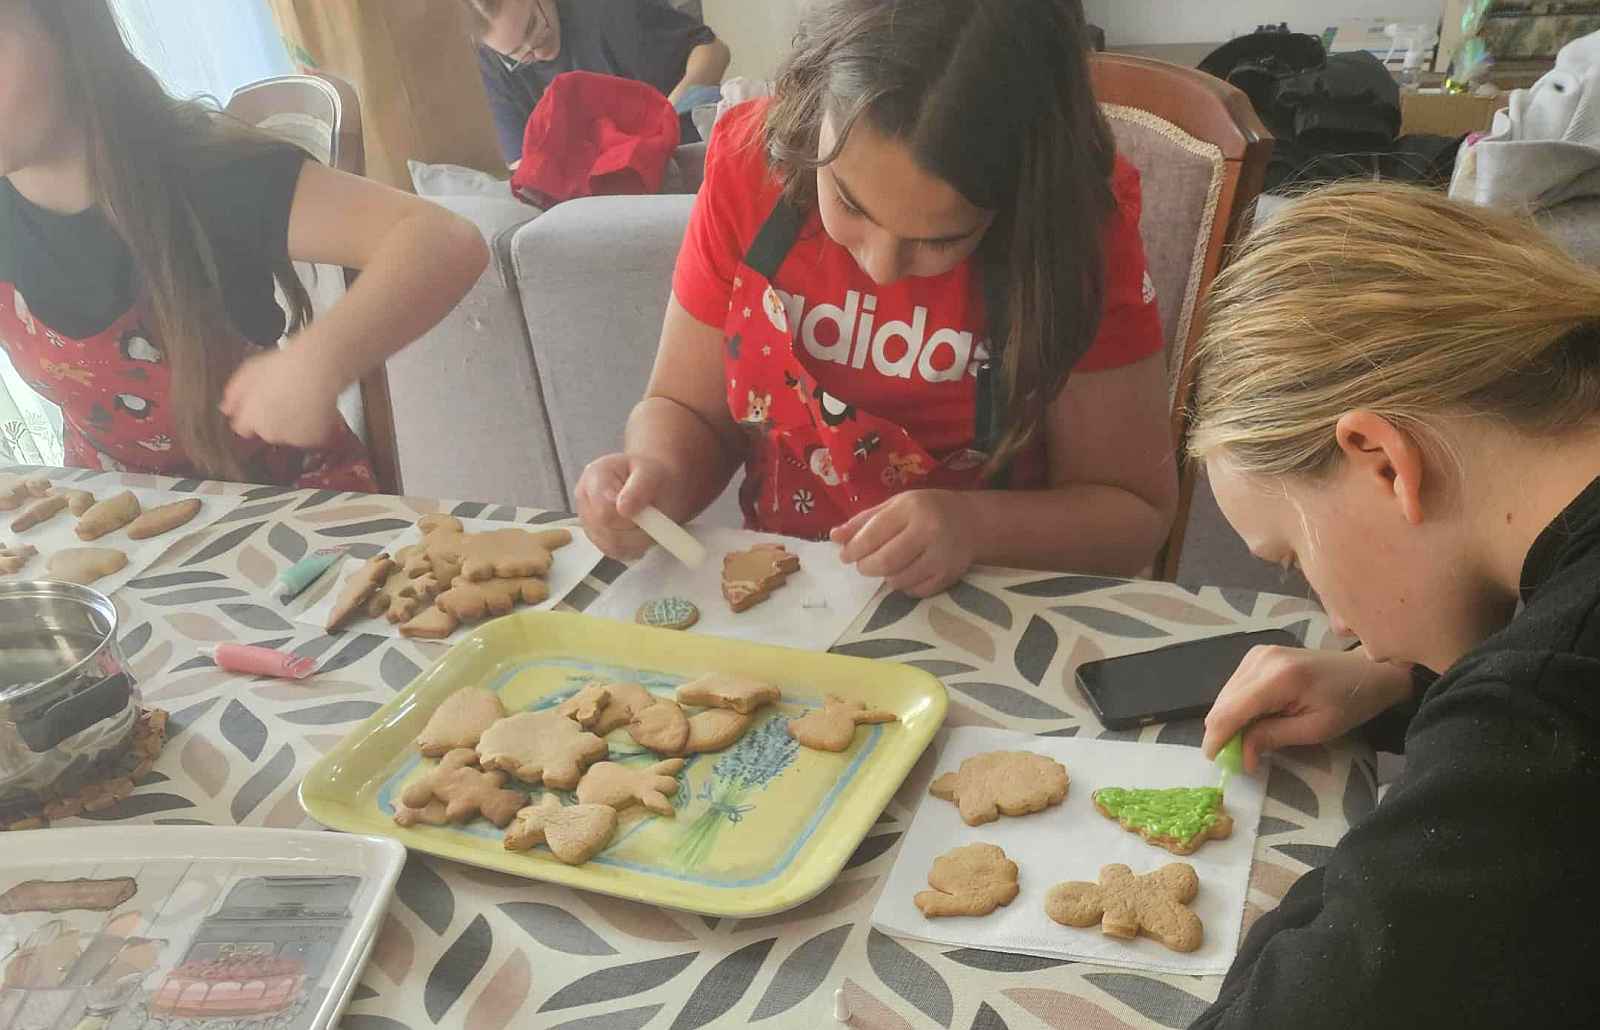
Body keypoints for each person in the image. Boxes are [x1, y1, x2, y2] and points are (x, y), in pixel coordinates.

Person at [576, 0, 1177, 597]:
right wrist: (656, 476)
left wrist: (976, 527)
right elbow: (689, 410)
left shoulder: (1075, 229)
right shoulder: (747, 165)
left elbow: (1134, 514)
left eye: (940, 239)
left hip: (991, 605)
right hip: (789, 594)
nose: (882, 266)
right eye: (850, 204)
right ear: (812, 107)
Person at [1188, 183, 1600, 1028]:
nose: (1335, 621)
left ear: (1380, 458)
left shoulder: (1545, 714)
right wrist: (1400, 680)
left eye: (1295, 558)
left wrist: (1478, 702)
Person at [0, 0, 488, 490]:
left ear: (65, 26)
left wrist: (319, 361)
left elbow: (443, 240)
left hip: (280, 505)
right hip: (118, 515)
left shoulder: (204, 169)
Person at [460, 0, 732, 168]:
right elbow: (523, 165)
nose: (537, 50)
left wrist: (665, 118)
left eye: (533, 25)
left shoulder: (606, 8)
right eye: (519, 54)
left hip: (677, 150)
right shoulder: (493, 68)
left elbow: (713, 52)